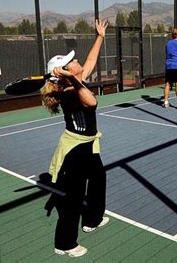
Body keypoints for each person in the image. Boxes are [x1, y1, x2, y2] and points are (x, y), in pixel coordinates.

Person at [40, 19, 109, 257]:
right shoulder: (68, 92)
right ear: (67, 73)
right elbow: (92, 102)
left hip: (88, 145)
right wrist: (71, 79)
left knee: (99, 178)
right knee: (74, 197)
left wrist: (99, 36)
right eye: (73, 62)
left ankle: (92, 219)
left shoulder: (75, 82)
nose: (78, 61)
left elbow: (89, 62)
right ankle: (65, 244)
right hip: (74, 151)